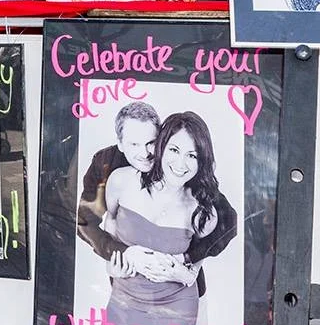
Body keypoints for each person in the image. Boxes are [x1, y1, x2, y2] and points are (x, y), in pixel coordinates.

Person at [76, 103, 238, 282]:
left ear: (161, 140)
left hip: (178, 279)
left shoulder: (180, 167)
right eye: (134, 144)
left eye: (151, 143)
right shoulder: (105, 163)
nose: (144, 153)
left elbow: (229, 222)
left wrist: (187, 259)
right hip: (127, 276)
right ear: (120, 144)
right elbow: (85, 223)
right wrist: (121, 254)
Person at [100, 111, 227, 325]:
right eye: (174, 150)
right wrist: (112, 263)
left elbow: (197, 261)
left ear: (202, 160)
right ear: (161, 147)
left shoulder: (203, 211)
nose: (181, 163)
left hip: (175, 311)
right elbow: (109, 226)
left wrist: (184, 273)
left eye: (192, 155)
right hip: (123, 305)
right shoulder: (121, 181)